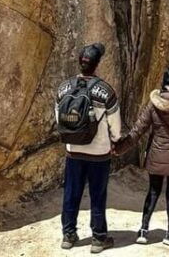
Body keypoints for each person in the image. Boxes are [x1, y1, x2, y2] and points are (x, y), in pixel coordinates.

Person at [115, 68, 169, 246]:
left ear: (163, 83)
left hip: (156, 156)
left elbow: (138, 130)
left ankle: (143, 231)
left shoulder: (154, 104)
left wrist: (119, 148)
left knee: (153, 191)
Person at [55, 43, 121, 253]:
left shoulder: (64, 87)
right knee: (97, 195)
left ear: (80, 63)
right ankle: (98, 238)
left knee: (71, 193)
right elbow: (115, 126)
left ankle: (68, 235)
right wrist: (115, 140)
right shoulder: (106, 91)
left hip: (73, 150)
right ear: (97, 64)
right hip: (99, 153)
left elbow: (58, 118)